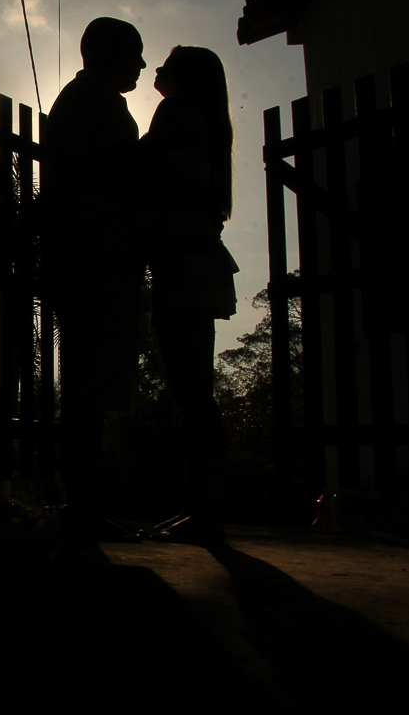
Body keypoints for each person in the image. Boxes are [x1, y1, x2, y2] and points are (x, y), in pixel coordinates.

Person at [40, 17, 149, 542]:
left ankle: (82, 503)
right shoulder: (97, 102)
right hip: (94, 255)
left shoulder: (85, 99)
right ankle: (82, 506)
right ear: (110, 55)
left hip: (84, 254)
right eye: (135, 54)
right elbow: (119, 172)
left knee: (87, 382)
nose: (143, 65)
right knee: (89, 384)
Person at [137, 46, 240, 546]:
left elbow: (140, 164)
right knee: (197, 392)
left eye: (166, 65)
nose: (155, 70)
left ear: (185, 77)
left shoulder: (177, 112)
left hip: (182, 264)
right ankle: (205, 510)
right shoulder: (210, 125)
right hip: (202, 261)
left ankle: (205, 514)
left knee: (192, 393)